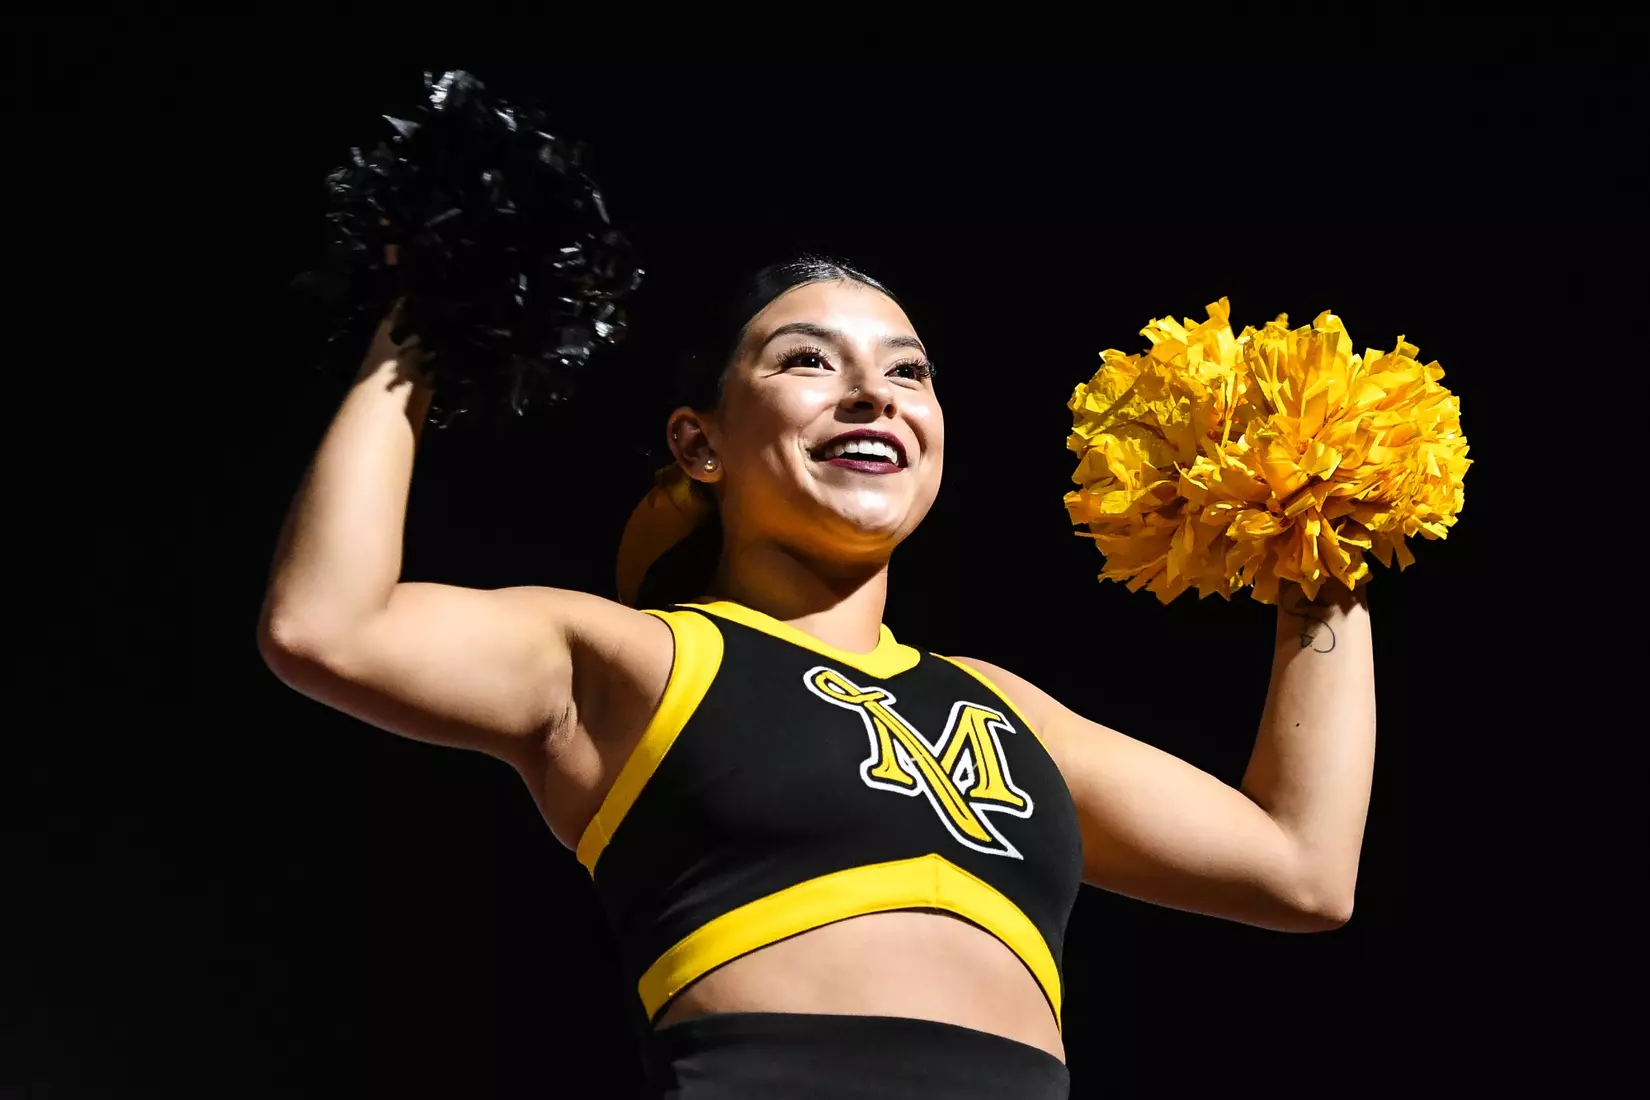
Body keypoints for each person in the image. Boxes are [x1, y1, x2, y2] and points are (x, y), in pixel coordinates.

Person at [257, 258, 1376, 1099]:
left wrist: (1317, 533)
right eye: (808, 360)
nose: (873, 394)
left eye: (909, 372)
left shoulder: (1003, 703)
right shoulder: (635, 657)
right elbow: (328, 626)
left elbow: (1302, 867)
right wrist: (422, 329)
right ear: (701, 445)